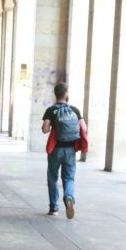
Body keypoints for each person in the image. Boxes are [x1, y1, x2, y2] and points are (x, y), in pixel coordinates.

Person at [41, 82, 86, 218]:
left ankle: (54, 208)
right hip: (70, 150)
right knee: (69, 178)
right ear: (66, 94)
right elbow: (84, 128)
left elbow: (45, 129)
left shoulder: (51, 110)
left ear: (56, 94)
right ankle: (69, 197)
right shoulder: (75, 110)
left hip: (56, 150)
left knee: (52, 178)